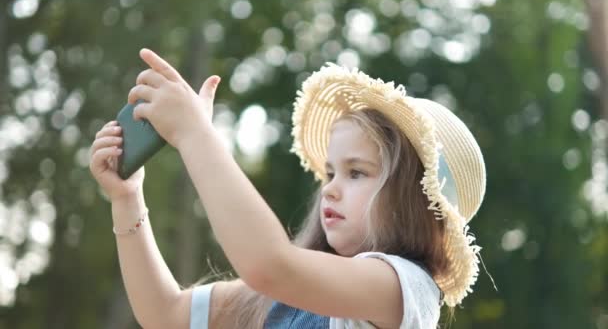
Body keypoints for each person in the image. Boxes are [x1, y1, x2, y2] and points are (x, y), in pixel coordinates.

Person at [89, 48, 486, 329]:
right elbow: (166, 314)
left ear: (415, 202)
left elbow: (268, 264)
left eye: (357, 173)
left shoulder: (403, 289)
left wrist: (194, 133)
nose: (329, 190)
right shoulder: (286, 291)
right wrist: (127, 198)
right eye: (330, 173)